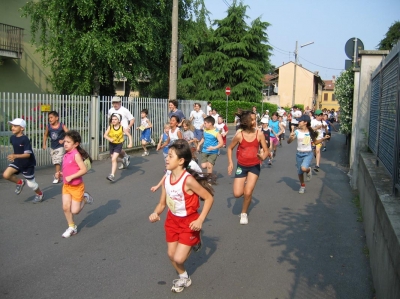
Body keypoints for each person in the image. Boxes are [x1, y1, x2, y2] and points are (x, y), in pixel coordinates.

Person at [149, 139, 214, 293]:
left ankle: (195, 239)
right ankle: (184, 276)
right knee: (171, 255)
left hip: (189, 221)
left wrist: (200, 220)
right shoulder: (167, 178)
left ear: (181, 161)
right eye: (167, 155)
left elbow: (209, 198)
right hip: (172, 220)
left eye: (170, 156)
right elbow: (162, 203)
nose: (166, 158)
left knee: (179, 258)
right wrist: (155, 213)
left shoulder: (188, 180)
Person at [227, 110, 269, 224]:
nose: (255, 122)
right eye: (253, 120)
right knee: (237, 194)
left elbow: (266, 150)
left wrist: (263, 157)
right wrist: (230, 163)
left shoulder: (259, 134)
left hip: (254, 166)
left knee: (248, 192)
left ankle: (244, 213)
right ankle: (246, 191)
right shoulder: (239, 135)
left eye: (255, 119)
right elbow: (230, 148)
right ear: (246, 122)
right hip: (242, 166)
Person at [55, 130, 94, 238]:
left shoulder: (76, 155)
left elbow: (84, 170)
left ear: (76, 144)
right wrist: (61, 174)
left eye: (68, 142)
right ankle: (72, 226)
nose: (65, 143)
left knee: (75, 211)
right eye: (65, 141)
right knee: (65, 207)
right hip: (66, 186)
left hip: (77, 187)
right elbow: (68, 170)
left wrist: (71, 177)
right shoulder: (66, 154)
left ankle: (85, 198)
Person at [3, 118, 44, 203]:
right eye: (12, 126)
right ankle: (20, 182)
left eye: (15, 126)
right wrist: (14, 156)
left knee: (31, 184)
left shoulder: (25, 139)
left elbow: (28, 154)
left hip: (27, 164)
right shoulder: (12, 138)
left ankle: (39, 194)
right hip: (18, 162)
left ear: (22, 128)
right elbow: (18, 149)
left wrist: (15, 155)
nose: (12, 128)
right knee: (6, 175)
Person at [287, 114, 330, 193]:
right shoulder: (297, 131)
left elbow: (316, 142)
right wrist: (290, 137)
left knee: (303, 168)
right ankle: (302, 185)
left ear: (305, 122)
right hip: (299, 154)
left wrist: (323, 138)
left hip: (308, 153)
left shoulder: (310, 132)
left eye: (300, 121)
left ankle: (308, 170)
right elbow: (289, 142)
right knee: (300, 172)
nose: (299, 122)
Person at [42, 111, 69, 184]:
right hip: (53, 147)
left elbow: (68, 133)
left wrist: (63, 140)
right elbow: (45, 135)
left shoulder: (61, 126)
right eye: (49, 118)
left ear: (57, 118)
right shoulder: (48, 127)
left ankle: (57, 177)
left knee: (57, 161)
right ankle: (62, 174)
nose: (50, 119)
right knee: (55, 161)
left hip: (60, 146)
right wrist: (44, 144)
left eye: (51, 117)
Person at [103, 114, 125, 182]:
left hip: (118, 144)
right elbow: (105, 135)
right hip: (111, 144)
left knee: (113, 159)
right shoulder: (110, 127)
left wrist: (130, 142)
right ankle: (123, 160)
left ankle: (112, 175)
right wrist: (110, 139)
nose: (113, 121)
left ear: (119, 121)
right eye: (112, 119)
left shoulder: (121, 128)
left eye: (115, 119)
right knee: (113, 158)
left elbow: (129, 135)